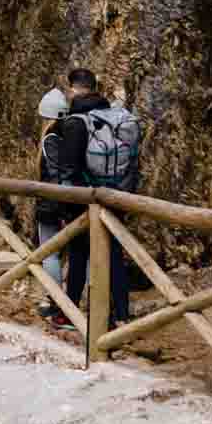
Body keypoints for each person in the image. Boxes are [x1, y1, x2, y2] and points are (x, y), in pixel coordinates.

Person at [57, 68, 135, 329]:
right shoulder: (113, 118)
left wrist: (64, 207)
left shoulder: (76, 122)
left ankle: (69, 313)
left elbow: (68, 169)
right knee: (114, 255)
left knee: (78, 257)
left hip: (84, 202)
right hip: (114, 196)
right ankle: (122, 314)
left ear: (73, 89)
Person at [34, 88, 69, 321]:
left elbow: (56, 175)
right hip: (65, 204)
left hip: (51, 205)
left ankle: (55, 301)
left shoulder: (51, 139)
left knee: (50, 254)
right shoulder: (69, 135)